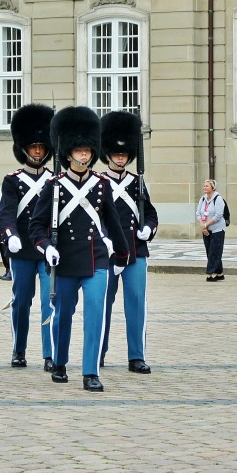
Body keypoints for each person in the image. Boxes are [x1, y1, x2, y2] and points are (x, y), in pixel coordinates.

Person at [29, 105, 129, 393]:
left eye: (88, 150)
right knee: (63, 315)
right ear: (69, 152)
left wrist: (120, 254)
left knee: (96, 312)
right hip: (65, 260)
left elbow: (113, 222)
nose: (84, 155)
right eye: (80, 150)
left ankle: (90, 371)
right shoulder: (54, 186)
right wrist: (46, 248)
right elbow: (37, 226)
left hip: (96, 258)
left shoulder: (101, 185)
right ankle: (59, 362)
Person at [99, 110, 158, 374]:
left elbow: (151, 213)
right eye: (117, 153)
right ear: (108, 154)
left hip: (135, 251)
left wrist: (148, 228)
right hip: (108, 252)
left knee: (136, 303)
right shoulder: (98, 183)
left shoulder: (137, 183)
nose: (121, 157)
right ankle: (98, 351)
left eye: (124, 154)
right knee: (102, 304)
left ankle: (136, 355)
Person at [0, 103, 55, 370]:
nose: (38, 151)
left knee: (49, 302)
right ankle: (19, 349)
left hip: (47, 250)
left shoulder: (55, 179)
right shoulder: (13, 180)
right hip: (21, 250)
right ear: (24, 148)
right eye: (34, 147)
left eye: (42, 147)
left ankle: (49, 352)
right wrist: (10, 235)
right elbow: (6, 211)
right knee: (21, 302)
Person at [195, 179, 226, 282]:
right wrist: (203, 226)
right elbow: (198, 213)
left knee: (214, 251)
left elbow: (218, 215)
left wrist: (206, 225)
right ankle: (220, 273)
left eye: (207, 186)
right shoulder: (203, 199)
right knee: (210, 251)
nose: (204, 187)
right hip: (206, 229)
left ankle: (210, 274)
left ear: (213, 188)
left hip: (217, 229)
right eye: (204, 186)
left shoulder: (218, 199)